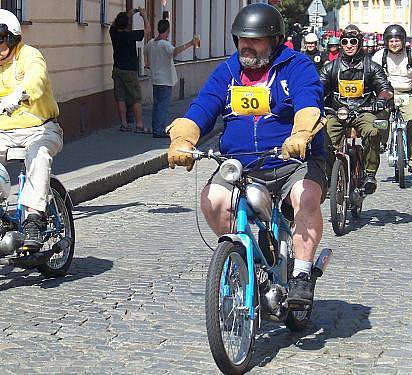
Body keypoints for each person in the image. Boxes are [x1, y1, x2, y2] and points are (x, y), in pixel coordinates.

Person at [166, 3, 327, 306]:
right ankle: (249, 263)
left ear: (275, 40)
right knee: (213, 200)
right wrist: (183, 139)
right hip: (242, 163)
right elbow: (203, 106)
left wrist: (301, 134)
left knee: (305, 197)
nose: (246, 46)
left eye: (255, 39)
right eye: (241, 38)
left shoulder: (296, 66)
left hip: (294, 160)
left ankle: (303, 274)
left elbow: (309, 100)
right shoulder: (227, 71)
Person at [0, 10, 63, 249]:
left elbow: (36, 80)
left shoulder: (29, 55)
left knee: (38, 154)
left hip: (41, 129)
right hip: (4, 133)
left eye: (0, 39)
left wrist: (18, 96)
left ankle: (34, 220)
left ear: (13, 38)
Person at [320, 24, 393, 194]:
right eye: (345, 42)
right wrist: (312, 100)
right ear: (341, 44)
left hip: (364, 111)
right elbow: (318, 87)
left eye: (353, 41)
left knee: (373, 131)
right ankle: (331, 175)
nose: (349, 45)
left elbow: (385, 88)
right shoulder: (331, 67)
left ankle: (369, 174)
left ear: (359, 43)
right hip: (337, 113)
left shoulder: (372, 67)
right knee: (322, 137)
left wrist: (381, 100)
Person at [372, 24, 412, 173]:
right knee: (380, 120)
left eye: (397, 40)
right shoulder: (379, 56)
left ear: (403, 41)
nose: (394, 44)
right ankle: (381, 143)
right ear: (386, 42)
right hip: (386, 93)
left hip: (406, 93)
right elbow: (371, 76)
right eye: (391, 41)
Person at [144, 20, 199, 138]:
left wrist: (148, 64)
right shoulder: (164, 44)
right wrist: (190, 43)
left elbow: (145, 53)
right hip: (165, 80)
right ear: (168, 31)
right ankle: (159, 130)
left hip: (155, 79)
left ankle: (156, 128)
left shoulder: (151, 43)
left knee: (157, 105)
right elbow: (175, 52)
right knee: (163, 107)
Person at [110, 7, 151, 133]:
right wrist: (144, 15)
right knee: (135, 98)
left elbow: (114, 23)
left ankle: (124, 124)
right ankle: (139, 125)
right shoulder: (131, 35)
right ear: (127, 24)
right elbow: (148, 30)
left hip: (117, 69)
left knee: (120, 97)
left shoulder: (113, 33)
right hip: (130, 71)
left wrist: (130, 14)